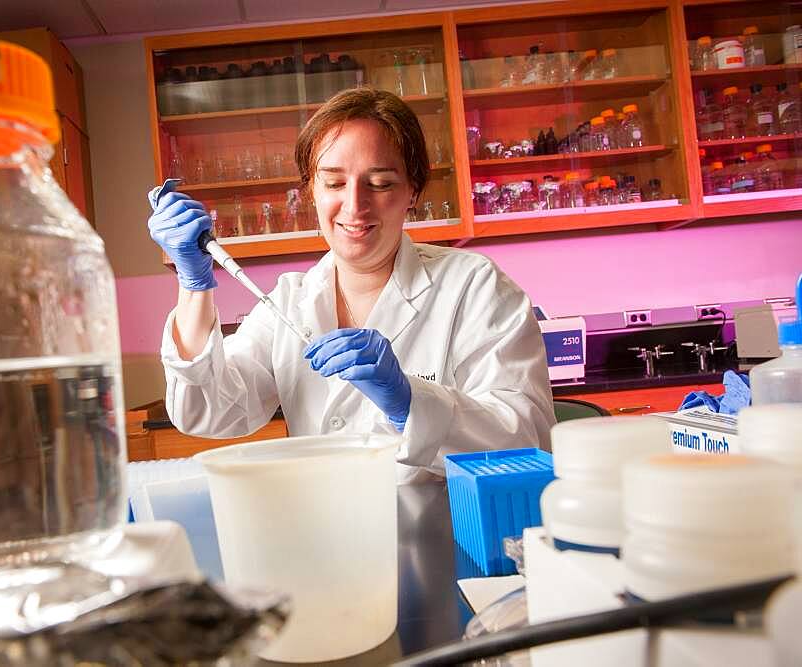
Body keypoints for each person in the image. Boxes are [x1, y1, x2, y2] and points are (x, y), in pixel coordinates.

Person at [148, 88, 554, 483]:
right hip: (332, 531)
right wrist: (194, 284)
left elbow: (528, 438)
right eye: (334, 183)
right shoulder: (290, 302)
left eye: (379, 183)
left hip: (450, 533)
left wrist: (409, 401)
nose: (355, 205)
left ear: (413, 191)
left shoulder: (474, 286)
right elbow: (210, 411)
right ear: (311, 190)